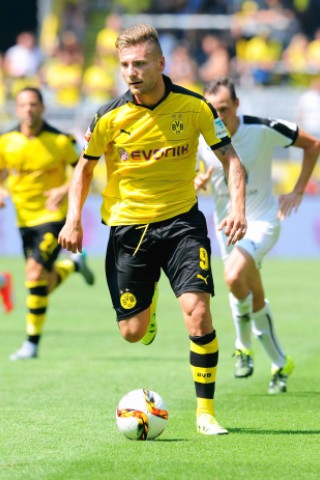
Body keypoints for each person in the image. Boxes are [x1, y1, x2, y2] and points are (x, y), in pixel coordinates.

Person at [58, 24, 247, 436]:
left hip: (182, 224)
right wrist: (73, 220)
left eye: (140, 63)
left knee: (198, 314)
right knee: (133, 332)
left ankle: (205, 412)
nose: (131, 71)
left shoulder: (195, 107)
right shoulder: (108, 116)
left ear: (161, 63)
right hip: (129, 228)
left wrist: (237, 207)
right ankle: (150, 304)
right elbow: (85, 168)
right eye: (125, 64)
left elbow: (231, 159)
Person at [195, 77, 320, 394]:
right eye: (212, 111)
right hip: (227, 228)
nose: (218, 117)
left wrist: (298, 191)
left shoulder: (263, 128)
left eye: (223, 109)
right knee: (251, 293)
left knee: (232, 275)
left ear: (237, 105)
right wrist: (194, 181)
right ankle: (280, 363)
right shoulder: (201, 137)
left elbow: (313, 144)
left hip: (262, 221)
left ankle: (241, 346)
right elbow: (192, 171)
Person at [0, 87, 95, 360]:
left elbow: (83, 169)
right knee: (40, 282)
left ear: (42, 107)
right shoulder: (6, 141)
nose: (28, 109)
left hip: (54, 219)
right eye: (23, 105)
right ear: (17, 109)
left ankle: (31, 344)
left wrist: (64, 190)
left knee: (32, 275)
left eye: (33, 104)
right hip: (24, 221)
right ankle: (72, 265)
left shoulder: (61, 140)